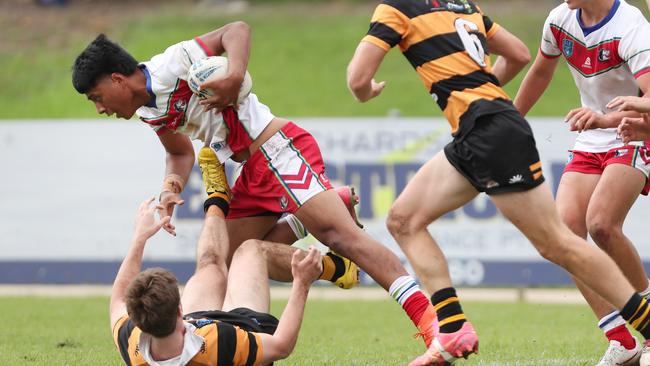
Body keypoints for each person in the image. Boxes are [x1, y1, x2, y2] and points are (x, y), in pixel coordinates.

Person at [72, 22, 440, 351]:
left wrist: (234, 76)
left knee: (340, 235)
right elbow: (179, 154)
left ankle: (432, 324)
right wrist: (171, 187)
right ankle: (324, 256)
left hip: (277, 150)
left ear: (116, 79)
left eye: (96, 97)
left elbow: (237, 30)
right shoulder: (148, 111)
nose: (100, 108)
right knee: (229, 264)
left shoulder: (174, 63)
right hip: (247, 168)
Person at [347, 0, 650, 365]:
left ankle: (646, 328)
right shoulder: (462, 5)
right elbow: (521, 55)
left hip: (504, 131)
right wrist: (489, 98)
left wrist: (367, 92)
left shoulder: (395, 9)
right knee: (404, 219)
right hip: (478, 130)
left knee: (563, 242)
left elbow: (358, 80)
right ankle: (453, 326)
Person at [514, 0, 650, 364]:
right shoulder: (560, 19)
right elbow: (540, 73)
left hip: (633, 134)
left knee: (602, 224)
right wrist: (510, 121)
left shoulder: (630, 25)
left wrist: (607, 119)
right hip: (593, 136)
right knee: (565, 234)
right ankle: (621, 340)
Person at [111, 194, 323, 365]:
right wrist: (302, 283)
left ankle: (216, 198)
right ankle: (329, 260)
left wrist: (140, 236)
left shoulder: (134, 346)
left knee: (210, 263)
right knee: (250, 250)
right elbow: (281, 346)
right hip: (245, 328)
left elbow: (118, 299)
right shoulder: (221, 343)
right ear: (179, 309)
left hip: (195, 324)